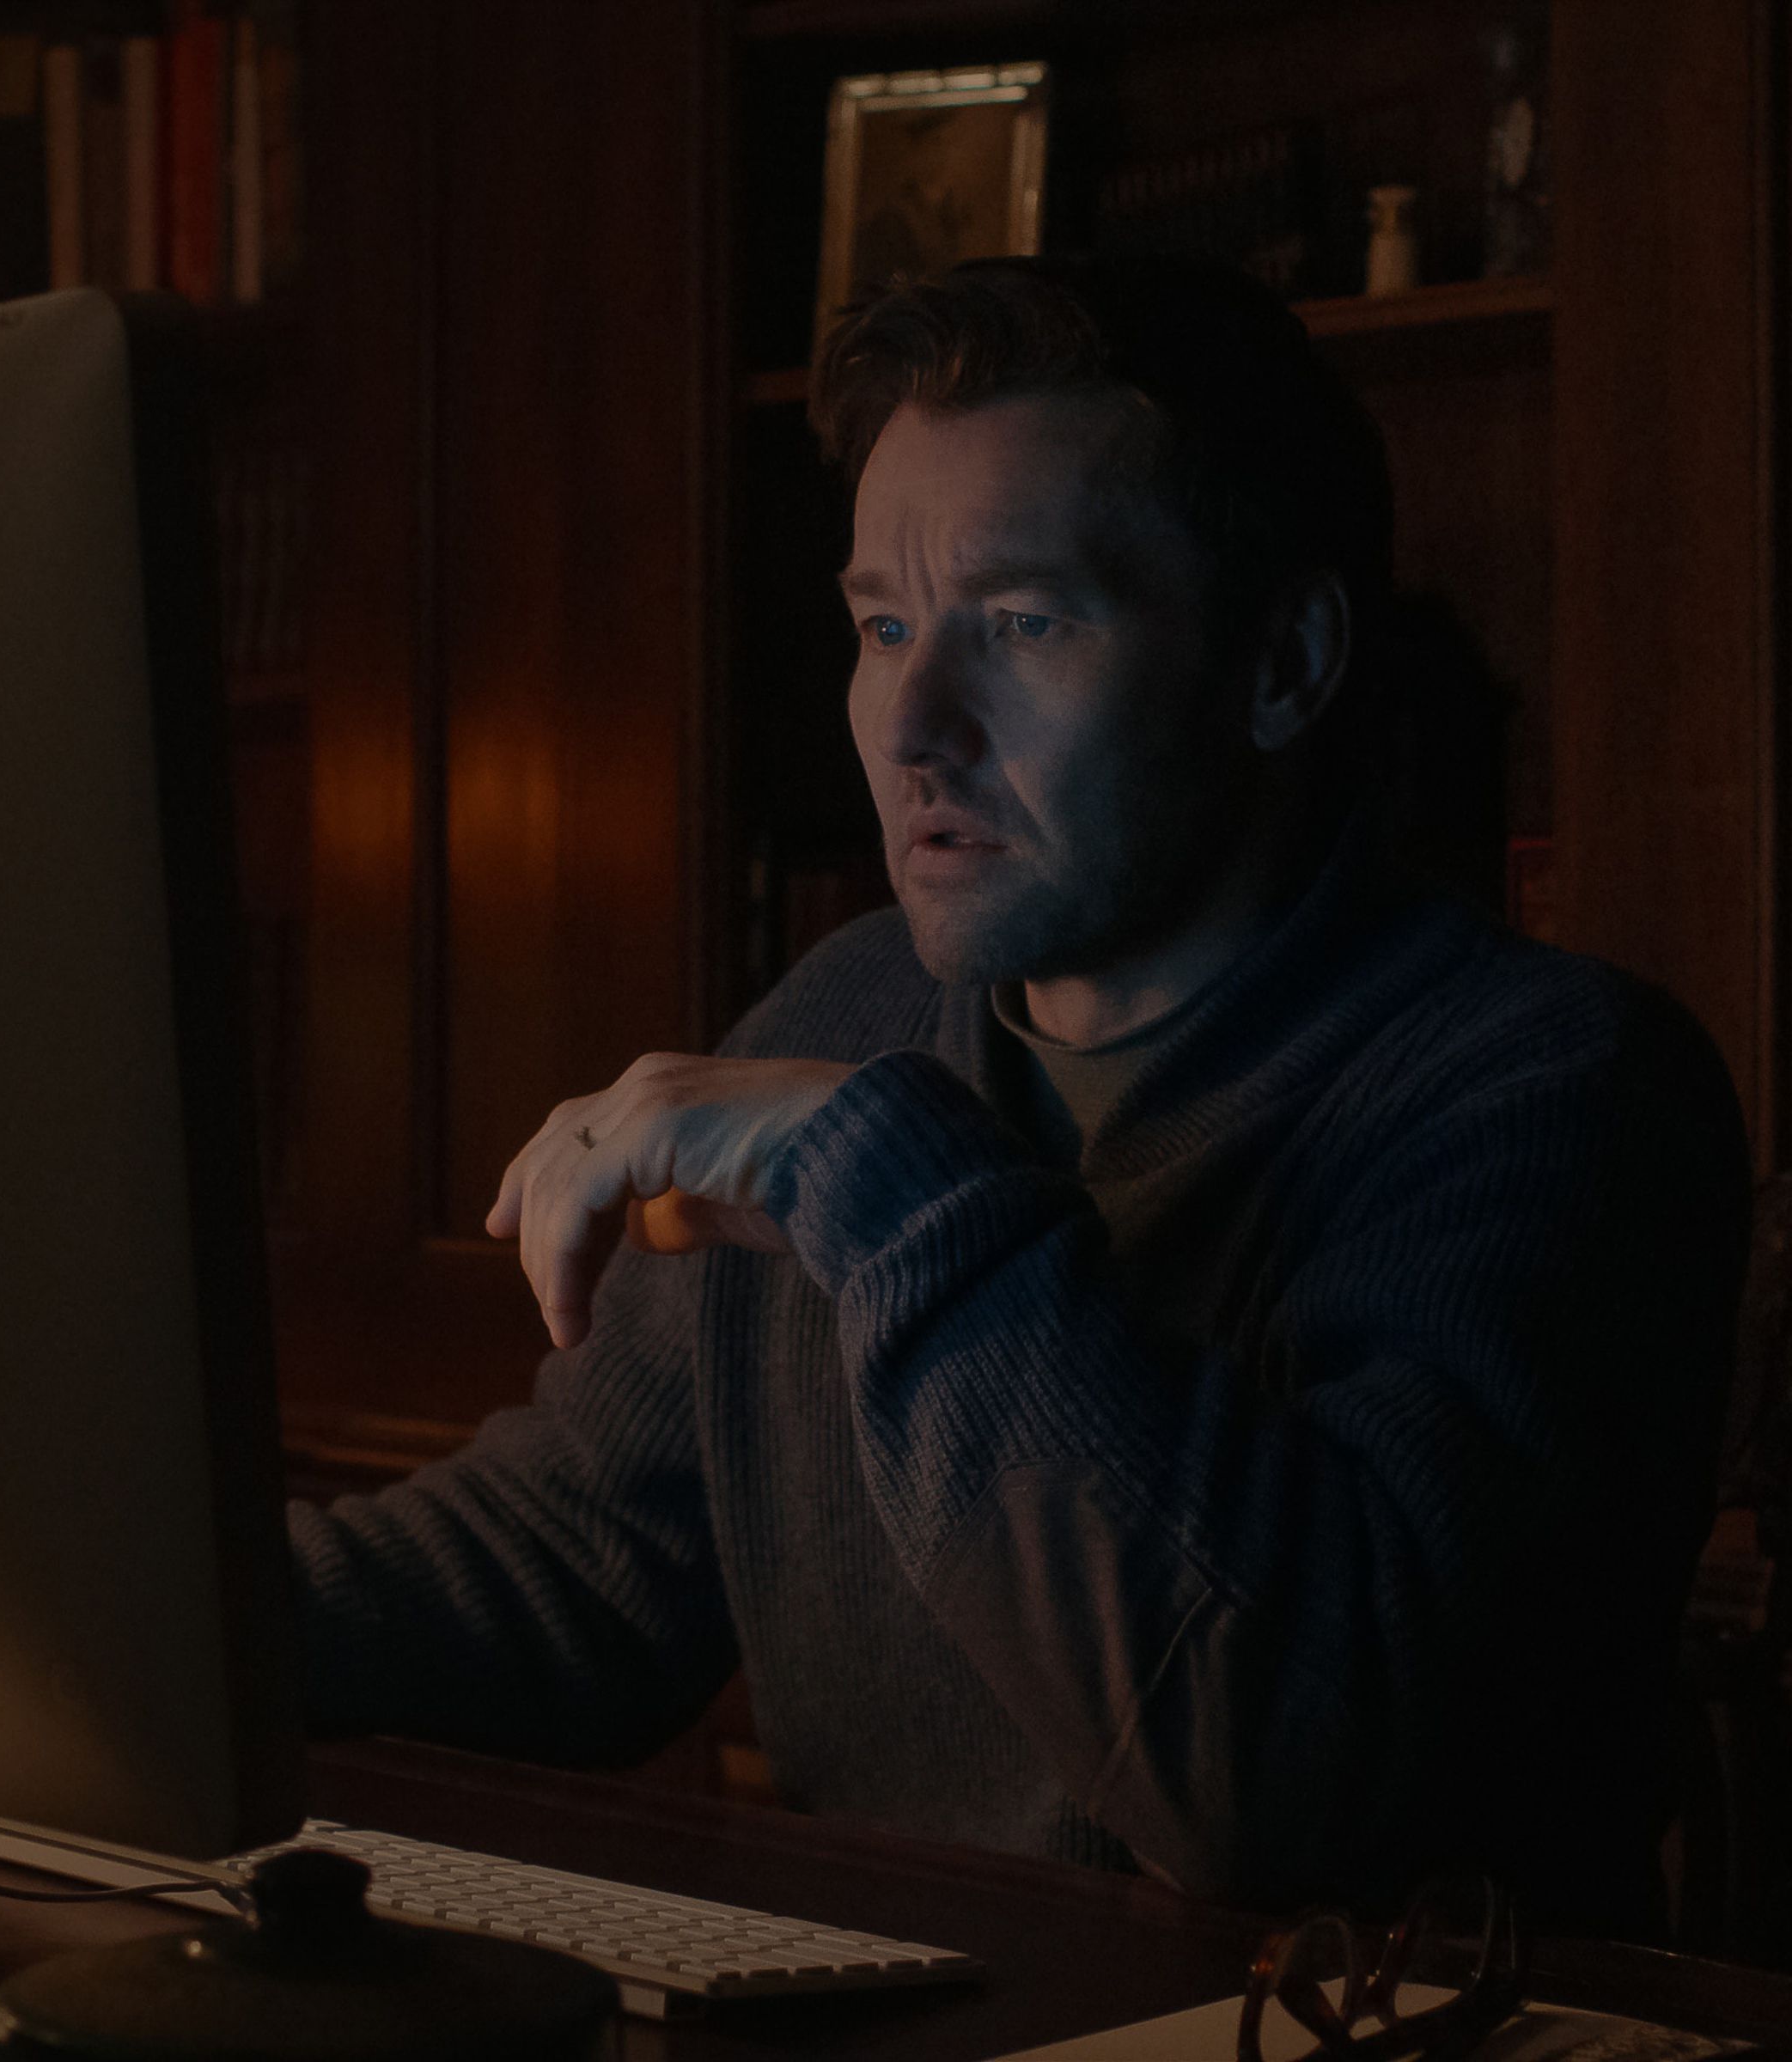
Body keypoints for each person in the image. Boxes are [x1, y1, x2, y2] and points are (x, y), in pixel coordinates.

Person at [289, 255, 1751, 1937]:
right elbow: (568, 1575)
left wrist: (883, 1184)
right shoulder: (847, 1011)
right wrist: (128, 1609)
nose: (913, 723)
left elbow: (1277, 1772)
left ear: (1283, 663)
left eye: (1026, 623)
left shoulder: (1558, 1093)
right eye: (884, 626)